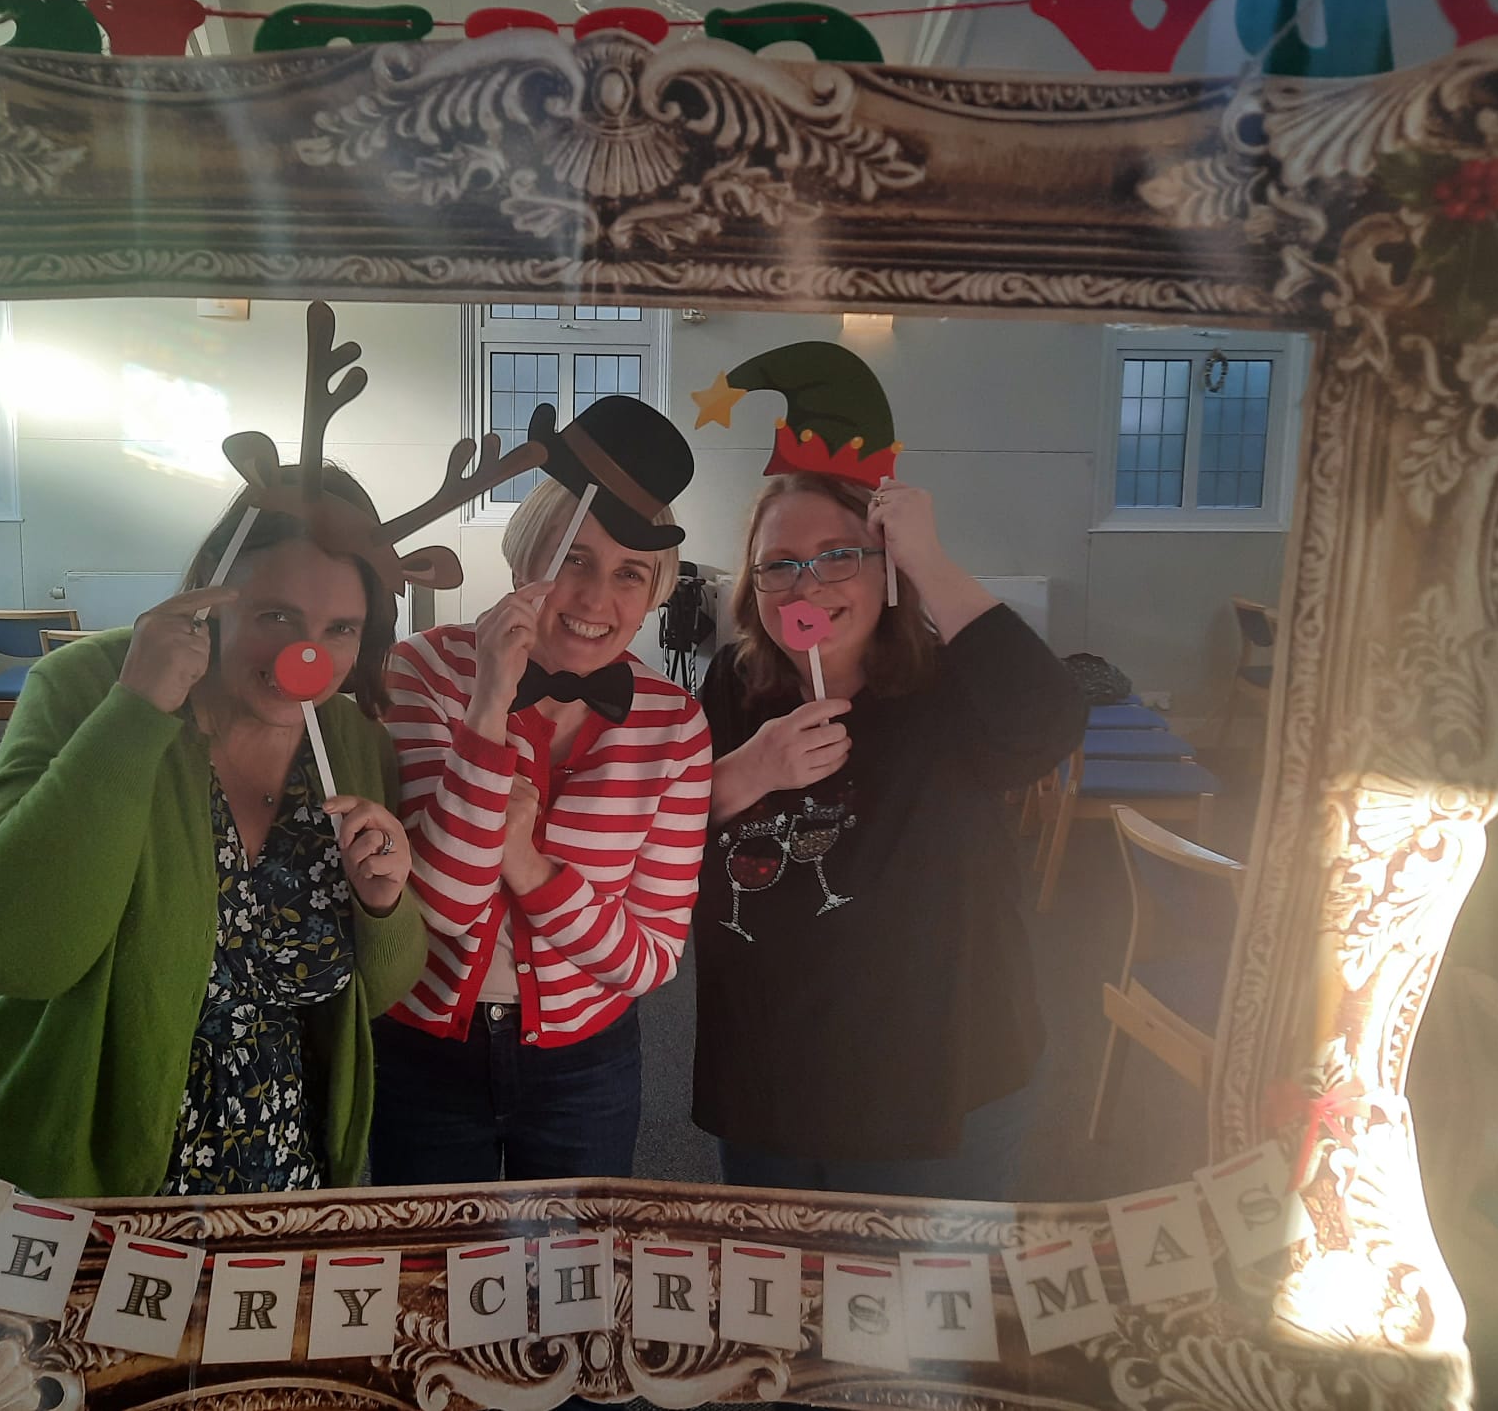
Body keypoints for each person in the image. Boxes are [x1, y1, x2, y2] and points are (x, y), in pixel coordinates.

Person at [0, 463, 430, 1199]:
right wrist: (133, 713)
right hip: (94, 1191)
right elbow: (9, 954)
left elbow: (370, 997)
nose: (306, 658)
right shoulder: (84, 688)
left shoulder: (350, 741)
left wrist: (383, 904)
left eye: (340, 629)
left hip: (288, 1181)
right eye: (276, 617)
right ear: (211, 593)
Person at [691, 474, 1086, 1199]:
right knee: (773, 1271)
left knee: (926, 1276)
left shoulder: (948, 686)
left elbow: (1049, 722)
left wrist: (929, 560)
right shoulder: (733, 684)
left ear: (887, 571)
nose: (806, 584)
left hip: (936, 1074)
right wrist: (747, 772)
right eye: (779, 563)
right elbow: (658, 834)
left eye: (838, 555)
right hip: (768, 1071)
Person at [373, 395, 712, 1184]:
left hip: (585, 1064)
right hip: (423, 1051)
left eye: (629, 574)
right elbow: (442, 907)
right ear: (527, 560)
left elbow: (652, 960)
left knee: (574, 1257)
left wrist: (526, 864)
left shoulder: (675, 724)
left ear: (655, 593)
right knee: (428, 1255)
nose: (595, 600)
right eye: (573, 560)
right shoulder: (419, 670)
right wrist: (490, 700)